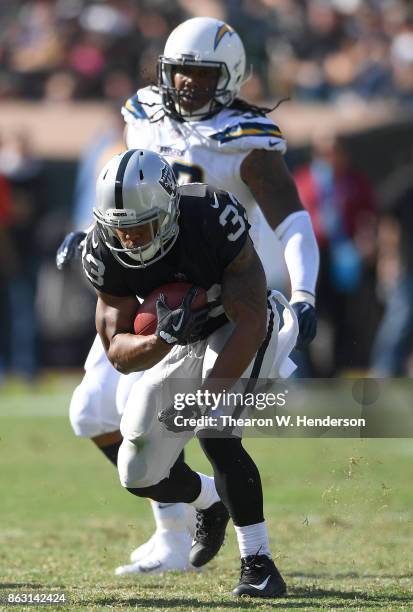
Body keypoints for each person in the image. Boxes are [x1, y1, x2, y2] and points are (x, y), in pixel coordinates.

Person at [58, 16, 319, 575]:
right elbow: (128, 191)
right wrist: (91, 237)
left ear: (232, 75)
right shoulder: (142, 113)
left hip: (214, 294)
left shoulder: (246, 141)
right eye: (179, 73)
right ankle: (183, 519)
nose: (186, 86)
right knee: (89, 411)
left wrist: (305, 293)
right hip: (148, 297)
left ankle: (211, 536)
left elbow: (293, 223)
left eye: (201, 75)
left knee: (174, 418)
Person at [83, 147, 299, 598]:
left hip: (241, 325)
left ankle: (259, 565)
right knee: (137, 472)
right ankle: (209, 500)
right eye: (121, 231)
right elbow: (119, 354)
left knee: (215, 429)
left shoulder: (210, 215)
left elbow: (252, 314)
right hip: (181, 342)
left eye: (140, 227)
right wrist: (162, 339)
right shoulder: (104, 249)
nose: (131, 241)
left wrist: (206, 397)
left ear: (167, 208)